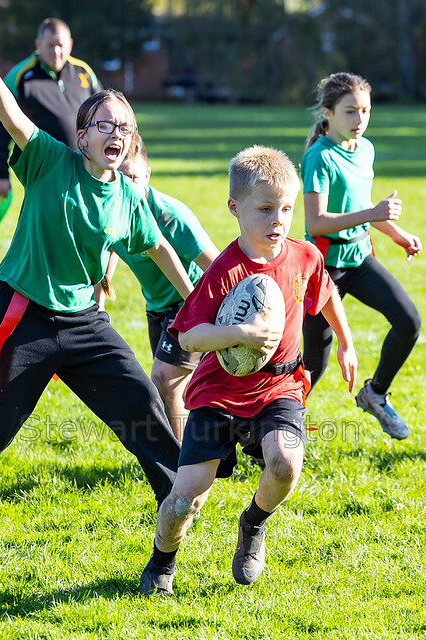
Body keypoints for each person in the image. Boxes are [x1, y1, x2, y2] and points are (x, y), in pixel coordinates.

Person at [0, 27, 195, 522]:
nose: (116, 134)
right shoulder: (49, 160)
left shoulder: (129, 197)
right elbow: (10, 114)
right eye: (104, 125)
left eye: (124, 128)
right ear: (82, 134)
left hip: (85, 321)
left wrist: (195, 299)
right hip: (25, 313)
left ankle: (176, 496)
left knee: (140, 402)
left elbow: (159, 249)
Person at [139, 146, 358, 596]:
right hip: (218, 395)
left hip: (280, 386)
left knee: (285, 463)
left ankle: (253, 523)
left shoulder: (303, 256)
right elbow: (189, 338)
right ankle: (162, 561)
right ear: (235, 208)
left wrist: (347, 343)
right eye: (264, 209)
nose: (277, 220)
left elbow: (327, 291)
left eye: (285, 209)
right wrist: (240, 333)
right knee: (185, 500)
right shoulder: (223, 271)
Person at [300, 72, 422, 440]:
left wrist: (397, 234)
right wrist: (374, 215)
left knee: (408, 322)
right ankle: (271, 429)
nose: (359, 120)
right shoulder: (318, 158)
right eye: (350, 112)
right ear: (328, 113)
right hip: (324, 268)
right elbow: (316, 222)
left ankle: (375, 394)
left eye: (365, 111)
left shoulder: (365, 149)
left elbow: (361, 205)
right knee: (313, 365)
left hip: (359, 258)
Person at [97, 135, 218, 440]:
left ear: (148, 175)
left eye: (135, 178)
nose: (128, 186)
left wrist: (217, 314)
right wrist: (105, 281)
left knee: (165, 380)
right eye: (121, 178)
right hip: (157, 308)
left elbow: (217, 267)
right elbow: (112, 242)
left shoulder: (170, 216)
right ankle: (198, 451)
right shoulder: (113, 206)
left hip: (190, 303)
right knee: (179, 390)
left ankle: (180, 465)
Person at [0, 17, 101, 201]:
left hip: (86, 171)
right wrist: (0, 173)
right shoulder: (20, 77)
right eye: (50, 45)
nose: (56, 51)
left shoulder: (85, 73)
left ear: (70, 44)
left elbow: (106, 116)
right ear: (38, 44)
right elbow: (0, 126)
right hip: (43, 173)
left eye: (60, 45)